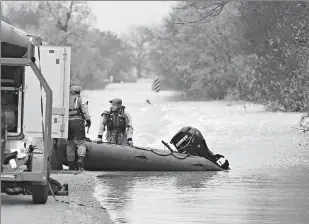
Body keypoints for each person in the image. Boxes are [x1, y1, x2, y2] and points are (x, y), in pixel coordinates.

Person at [67, 85, 91, 171]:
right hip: (77, 122)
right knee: (81, 143)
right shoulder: (80, 99)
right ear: (79, 92)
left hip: (67, 123)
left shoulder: (66, 99)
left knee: (70, 143)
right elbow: (84, 110)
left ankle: (71, 165)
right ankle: (81, 162)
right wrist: (88, 120)